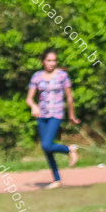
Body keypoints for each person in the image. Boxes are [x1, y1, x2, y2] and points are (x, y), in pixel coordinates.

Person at [26, 48, 80, 189]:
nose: (52, 63)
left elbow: (69, 98)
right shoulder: (37, 76)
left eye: (54, 60)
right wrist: (34, 106)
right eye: (49, 60)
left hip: (56, 114)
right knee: (47, 149)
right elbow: (29, 99)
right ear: (43, 61)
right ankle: (57, 179)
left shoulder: (62, 76)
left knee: (47, 145)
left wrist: (72, 115)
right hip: (41, 115)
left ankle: (69, 149)